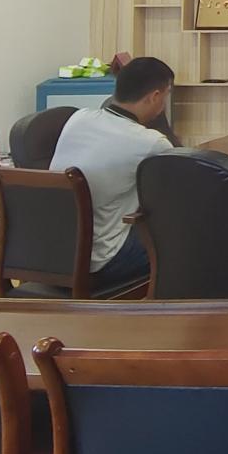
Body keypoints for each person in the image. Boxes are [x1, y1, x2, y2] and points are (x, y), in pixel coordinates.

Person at [49, 56, 175, 286]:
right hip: (102, 261)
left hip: (53, 254)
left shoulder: (78, 118)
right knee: (186, 235)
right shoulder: (151, 142)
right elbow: (174, 195)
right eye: (166, 95)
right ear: (155, 96)